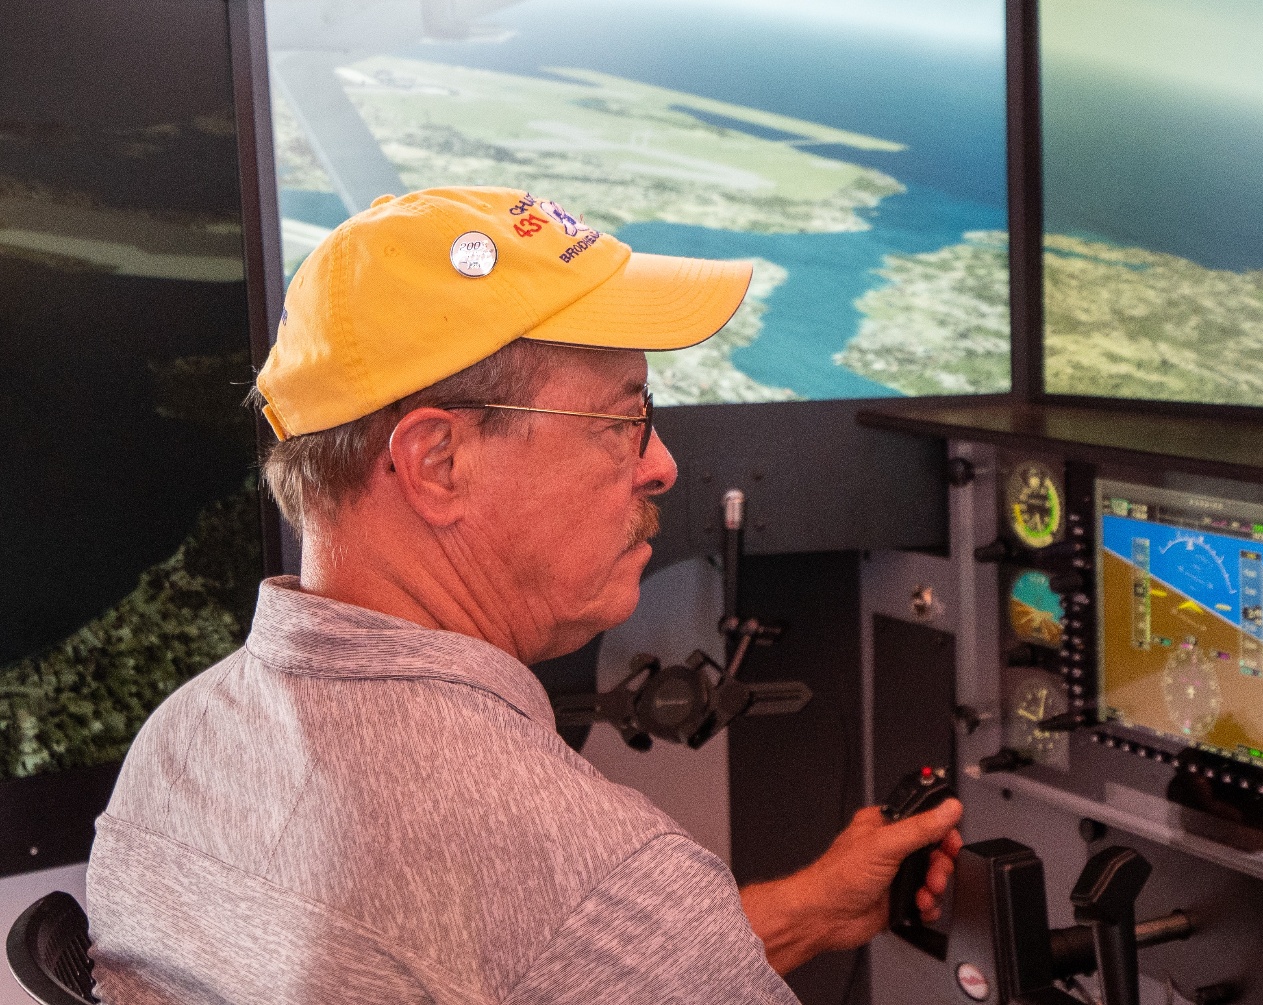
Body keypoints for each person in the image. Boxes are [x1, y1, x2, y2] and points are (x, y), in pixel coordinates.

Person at [84, 186, 963, 1004]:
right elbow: (568, 939)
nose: (661, 464)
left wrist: (813, 908)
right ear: (440, 463)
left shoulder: (178, 745)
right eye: (624, 419)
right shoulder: (596, 873)